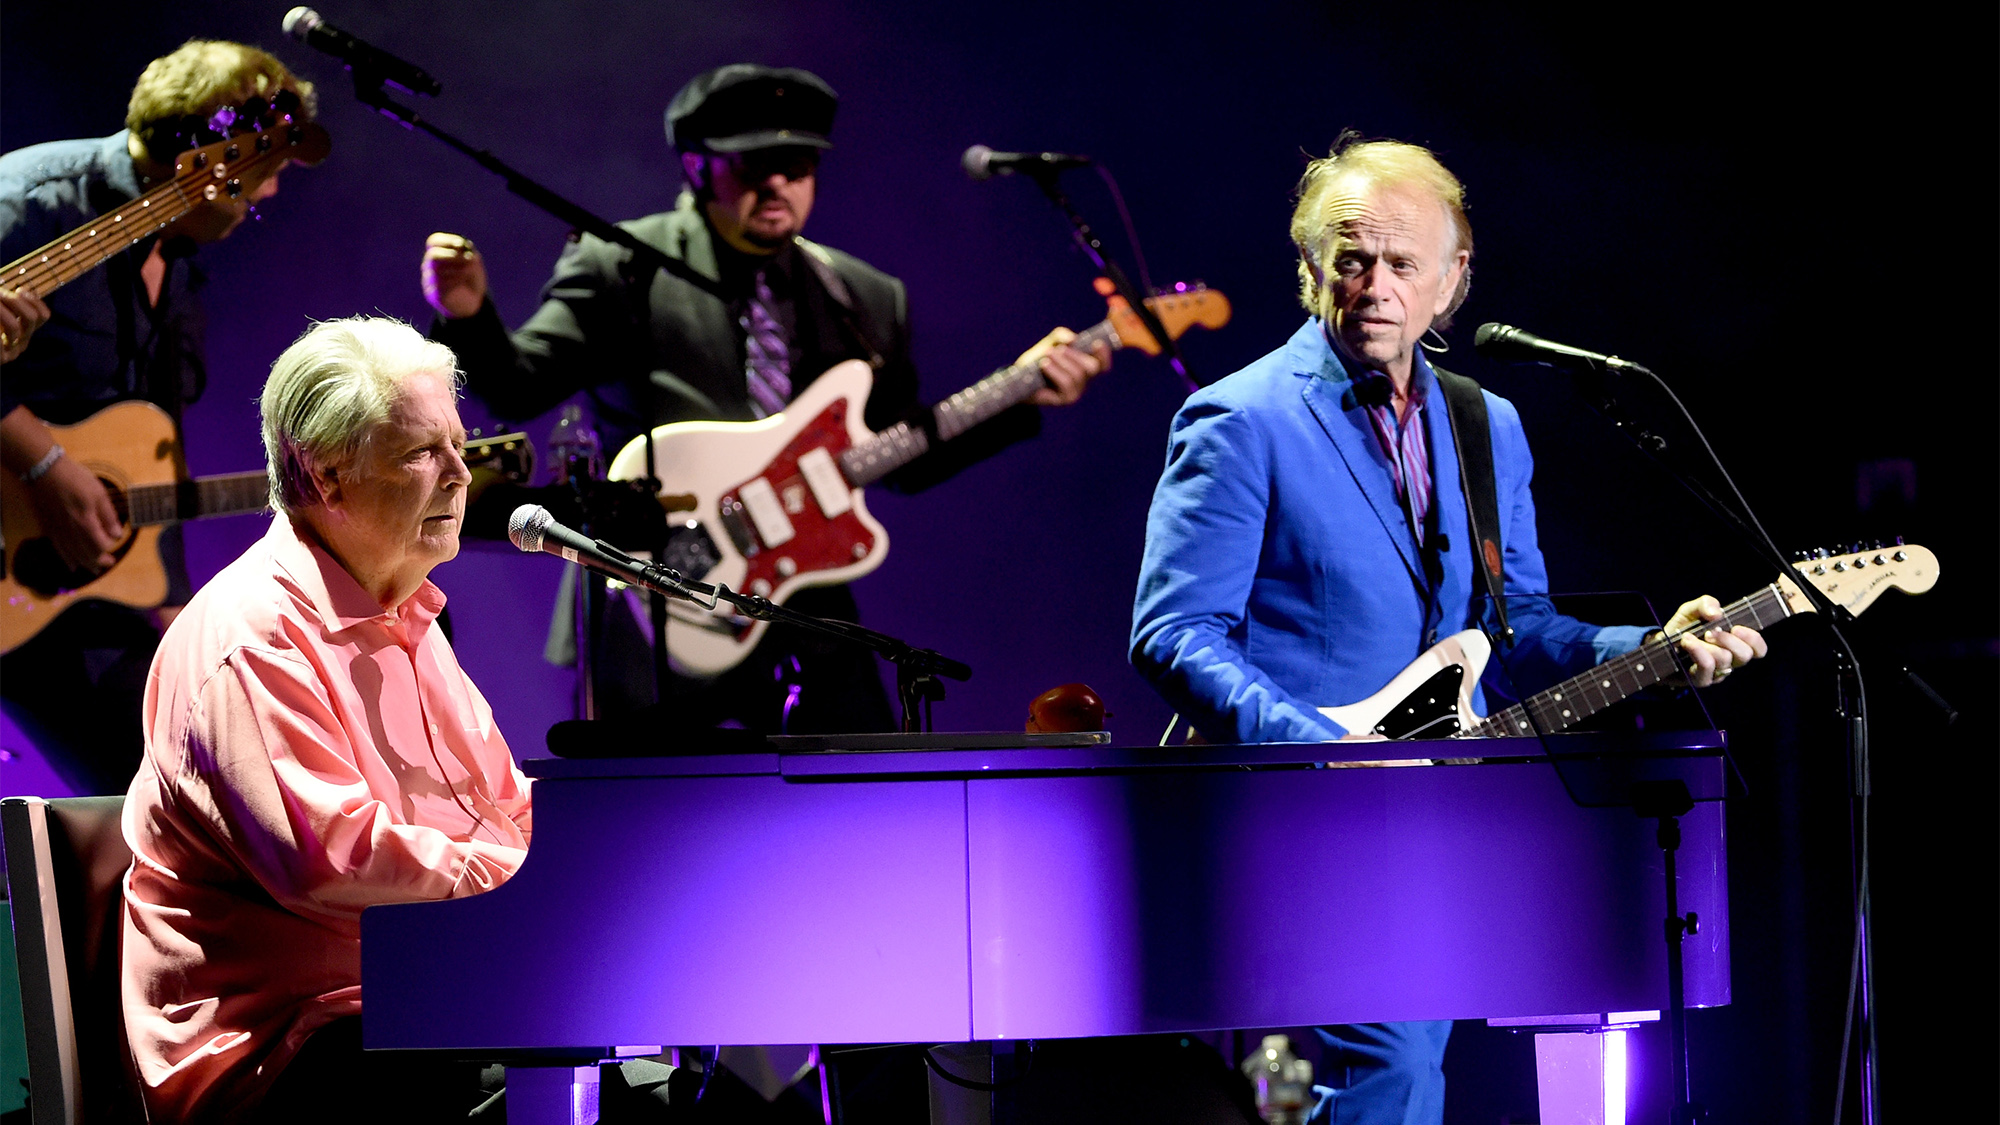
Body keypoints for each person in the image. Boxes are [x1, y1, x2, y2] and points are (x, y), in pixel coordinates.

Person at [1127, 139, 1766, 1123]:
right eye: (1351, 260)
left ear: (1451, 278)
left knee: (1412, 1075)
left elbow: (1517, 630)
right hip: (1295, 814)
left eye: (1402, 262)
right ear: (1311, 267)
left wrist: (1648, 653)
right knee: (1387, 1072)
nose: (1374, 285)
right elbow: (1172, 632)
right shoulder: (1239, 419)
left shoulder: (1485, 425)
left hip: (1437, 821)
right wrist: (1321, 748)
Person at [421, 63, 1108, 734]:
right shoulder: (620, 262)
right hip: (656, 581)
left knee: (865, 779)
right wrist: (466, 314)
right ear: (697, 165)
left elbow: (902, 456)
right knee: (653, 797)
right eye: (754, 163)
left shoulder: (865, 295)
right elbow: (518, 387)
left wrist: (1021, 399)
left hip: (802, 590)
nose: (778, 182)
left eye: (798, 164)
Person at [0, 40, 315, 795]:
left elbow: (146, 450)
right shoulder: (29, 205)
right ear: (204, 163)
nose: (270, 189)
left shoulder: (176, 262)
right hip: (17, 577)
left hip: (83, 591)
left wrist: (169, 598)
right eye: (262, 168)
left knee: (218, 765)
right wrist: (41, 463)